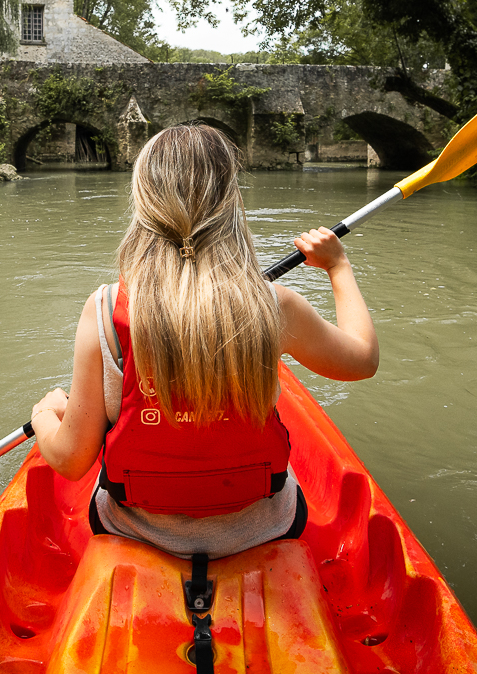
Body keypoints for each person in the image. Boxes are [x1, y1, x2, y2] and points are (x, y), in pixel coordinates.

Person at [29, 124, 378, 559]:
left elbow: (70, 460)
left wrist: (45, 414)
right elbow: (362, 360)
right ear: (232, 202)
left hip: (136, 528)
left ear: (144, 204)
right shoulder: (273, 305)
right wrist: (338, 267)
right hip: (265, 526)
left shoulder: (104, 310)